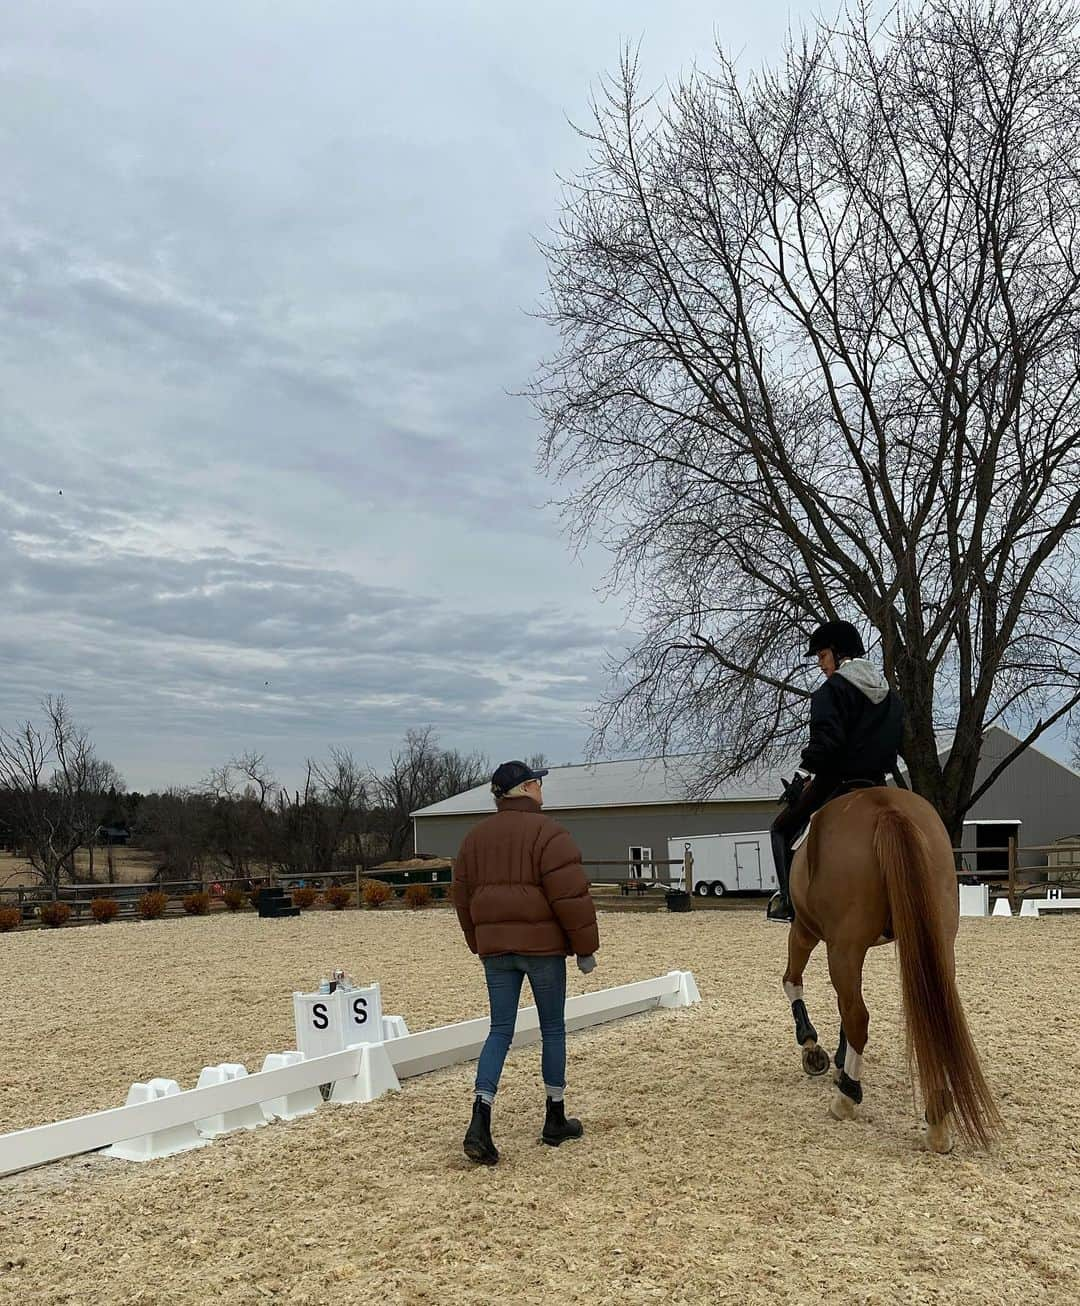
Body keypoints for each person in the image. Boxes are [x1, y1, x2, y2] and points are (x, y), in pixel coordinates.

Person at [452, 759, 599, 1165]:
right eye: (538, 783)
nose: (541, 789)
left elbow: (461, 897)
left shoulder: (474, 839)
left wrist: (477, 941)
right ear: (529, 788)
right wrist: (585, 948)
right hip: (543, 950)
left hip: (495, 950)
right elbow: (570, 896)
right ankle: (555, 1117)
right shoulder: (550, 834)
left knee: (499, 1030)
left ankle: (480, 1119)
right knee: (553, 1028)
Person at [767, 621, 905, 923]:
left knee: (779, 828)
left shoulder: (830, 691)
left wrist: (800, 777)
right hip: (879, 783)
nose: (820, 664)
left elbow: (825, 743)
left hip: (838, 782)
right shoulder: (891, 696)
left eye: (822, 656)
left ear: (838, 654)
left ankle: (788, 904)